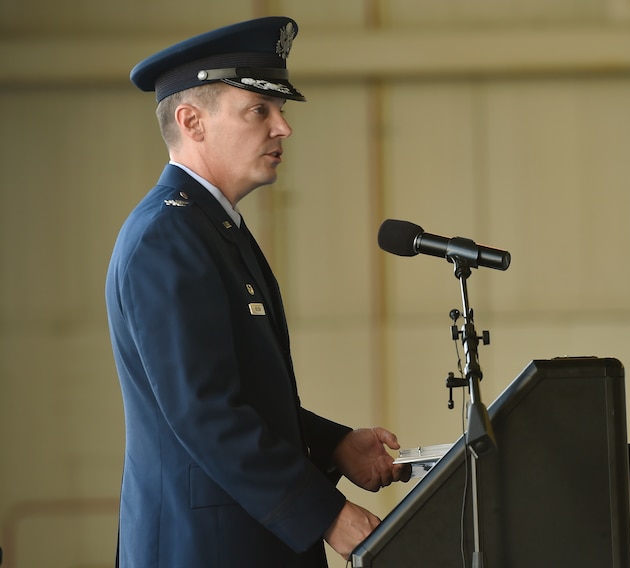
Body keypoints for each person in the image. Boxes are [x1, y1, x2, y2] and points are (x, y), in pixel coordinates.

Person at [105, 17, 410, 568]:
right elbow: (205, 411)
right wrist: (325, 514)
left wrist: (333, 444)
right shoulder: (167, 236)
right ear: (191, 121)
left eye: (281, 111)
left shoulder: (212, 227)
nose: (283, 128)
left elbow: (240, 391)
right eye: (259, 111)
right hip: (201, 548)